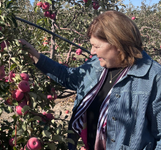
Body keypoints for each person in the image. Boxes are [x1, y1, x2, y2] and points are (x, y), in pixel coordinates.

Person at [19, 10, 161, 150]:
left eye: (96, 46)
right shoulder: (96, 65)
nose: (92, 51)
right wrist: (35, 55)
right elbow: (68, 77)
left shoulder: (153, 77)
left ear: (117, 45)